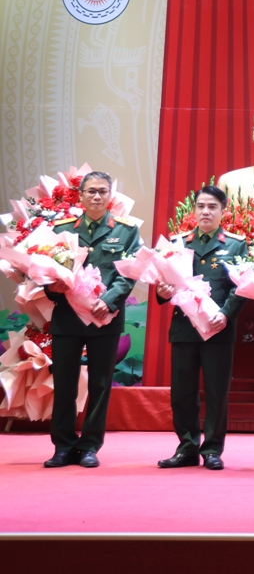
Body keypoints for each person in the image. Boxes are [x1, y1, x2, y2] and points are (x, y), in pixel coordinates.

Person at [43, 171, 141, 468]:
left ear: (110, 195)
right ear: (81, 195)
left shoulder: (126, 230)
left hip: (105, 317)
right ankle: (63, 446)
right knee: (64, 384)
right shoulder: (61, 229)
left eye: (102, 191)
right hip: (67, 317)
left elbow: (129, 273)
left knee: (100, 384)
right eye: (91, 191)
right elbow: (46, 268)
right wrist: (51, 288)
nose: (97, 196)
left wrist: (108, 301)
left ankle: (89, 446)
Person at [155, 186, 248, 470]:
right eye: (201, 206)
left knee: (217, 392)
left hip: (218, 328)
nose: (205, 212)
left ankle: (212, 450)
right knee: (182, 392)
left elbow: (241, 287)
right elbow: (164, 286)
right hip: (184, 328)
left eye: (212, 207)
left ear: (223, 211)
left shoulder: (236, 245)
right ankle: (186, 448)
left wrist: (226, 314)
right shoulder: (177, 244)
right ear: (193, 210)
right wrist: (162, 290)